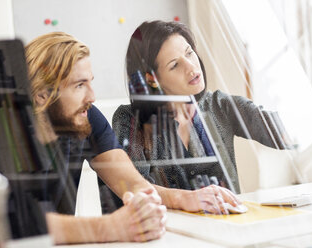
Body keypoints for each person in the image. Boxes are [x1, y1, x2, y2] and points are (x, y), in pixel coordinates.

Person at [113, 20, 290, 194]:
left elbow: (285, 133)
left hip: (227, 222)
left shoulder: (220, 106)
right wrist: (188, 199)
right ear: (152, 79)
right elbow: (132, 189)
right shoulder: (130, 120)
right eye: (175, 65)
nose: (191, 67)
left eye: (189, 53)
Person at [25, 32, 166, 244]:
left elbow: (129, 181)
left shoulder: (85, 117)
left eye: (90, 82)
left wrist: (154, 201)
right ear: (42, 95)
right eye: (79, 85)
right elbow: (14, 222)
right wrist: (109, 227)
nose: (92, 97)